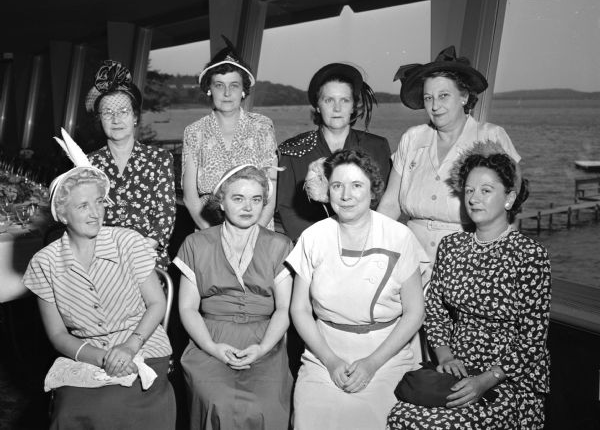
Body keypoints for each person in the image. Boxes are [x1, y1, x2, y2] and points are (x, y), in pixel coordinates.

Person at [387, 141, 551, 429]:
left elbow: (532, 341)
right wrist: (444, 354)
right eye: (469, 191)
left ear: (509, 199)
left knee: (436, 424)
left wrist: (486, 380)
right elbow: (435, 309)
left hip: (509, 378)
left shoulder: (529, 255)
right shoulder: (452, 246)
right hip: (458, 366)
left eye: (486, 191)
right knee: (401, 416)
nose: (474, 199)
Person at [22, 136, 175, 429]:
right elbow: (57, 335)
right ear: (62, 214)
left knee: (113, 409)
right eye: (82, 206)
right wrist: (101, 357)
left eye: (99, 202)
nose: (96, 213)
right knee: (69, 413)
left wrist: (130, 346)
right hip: (86, 355)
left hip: (143, 346)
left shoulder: (127, 242)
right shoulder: (45, 263)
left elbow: (157, 304)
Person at [287, 149, 426, 430]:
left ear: (373, 191)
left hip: (386, 356)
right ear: (328, 191)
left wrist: (372, 364)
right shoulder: (313, 237)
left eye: (356, 185)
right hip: (323, 352)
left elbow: (415, 312)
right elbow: (299, 309)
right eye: (337, 186)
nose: (346, 195)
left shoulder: (399, 237)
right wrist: (330, 361)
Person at [377, 46, 520, 283]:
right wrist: (372, 247)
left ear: (464, 97)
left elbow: (511, 208)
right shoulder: (412, 138)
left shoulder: (492, 137)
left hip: (471, 263)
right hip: (410, 262)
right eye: (428, 98)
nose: (435, 106)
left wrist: (499, 267)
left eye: (444, 96)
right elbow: (390, 204)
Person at [175, 165, 293, 430]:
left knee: (266, 406)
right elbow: (188, 308)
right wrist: (212, 347)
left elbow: (284, 308)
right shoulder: (196, 244)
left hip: (264, 339)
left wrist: (262, 348)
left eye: (256, 199)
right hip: (209, 337)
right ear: (222, 203)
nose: (248, 207)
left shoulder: (279, 245)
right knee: (218, 402)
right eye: (238, 198)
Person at [278, 63, 391, 242]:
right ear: (317, 106)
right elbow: (287, 209)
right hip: (311, 247)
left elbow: (383, 203)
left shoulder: (377, 147)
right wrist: (318, 247)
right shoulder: (292, 150)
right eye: (329, 100)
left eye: (344, 100)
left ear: (354, 106)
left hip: (365, 244)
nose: (337, 108)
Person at [87, 60, 176, 270]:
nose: (116, 119)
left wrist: (140, 253)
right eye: (108, 113)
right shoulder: (90, 163)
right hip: (101, 261)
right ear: (100, 120)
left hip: (147, 260)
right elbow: (85, 216)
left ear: (135, 117)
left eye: (123, 112)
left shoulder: (159, 159)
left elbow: (166, 215)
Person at [182, 38, 278, 230]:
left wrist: (252, 236)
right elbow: (190, 196)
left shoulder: (263, 127)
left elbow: (272, 190)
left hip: (257, 232)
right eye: (219, 85)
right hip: (209, 230)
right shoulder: (194, 132)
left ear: (243, 90)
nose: (227, 93)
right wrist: (212, 235)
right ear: (209, 89)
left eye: (234, 85)